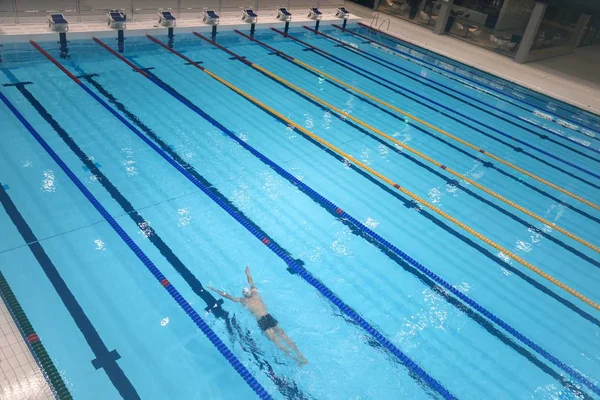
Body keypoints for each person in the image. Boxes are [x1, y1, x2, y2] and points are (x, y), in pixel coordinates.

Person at [208, 266, 307, 365]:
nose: (247, 294)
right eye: (245, 293)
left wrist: (247, 273)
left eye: (247, 292)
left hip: (268, 316)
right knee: (276, 341)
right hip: (261, 321)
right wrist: (215, 290)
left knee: (283, 335)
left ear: (250, 291)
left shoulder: (255, 293)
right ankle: (296, 359)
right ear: (244, 294)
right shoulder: (243, 300)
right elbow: (229, 297)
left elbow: (251, 282)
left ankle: (300, 355)